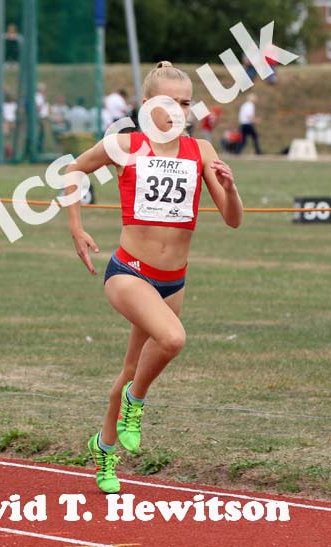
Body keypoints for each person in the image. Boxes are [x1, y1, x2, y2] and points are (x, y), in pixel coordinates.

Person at [62, 61, 243, 494]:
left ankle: (104, 448)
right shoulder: (125, 144)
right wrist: (76, 228)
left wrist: (231, 188)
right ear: (146, 106)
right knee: (173, 339)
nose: (178, 111)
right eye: (168, 103)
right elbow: (73, 169)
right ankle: (135, 402)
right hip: (129, 272)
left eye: (185, 103)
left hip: (173, 281)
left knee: (131, 368)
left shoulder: (201, 151)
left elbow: (233, 219)